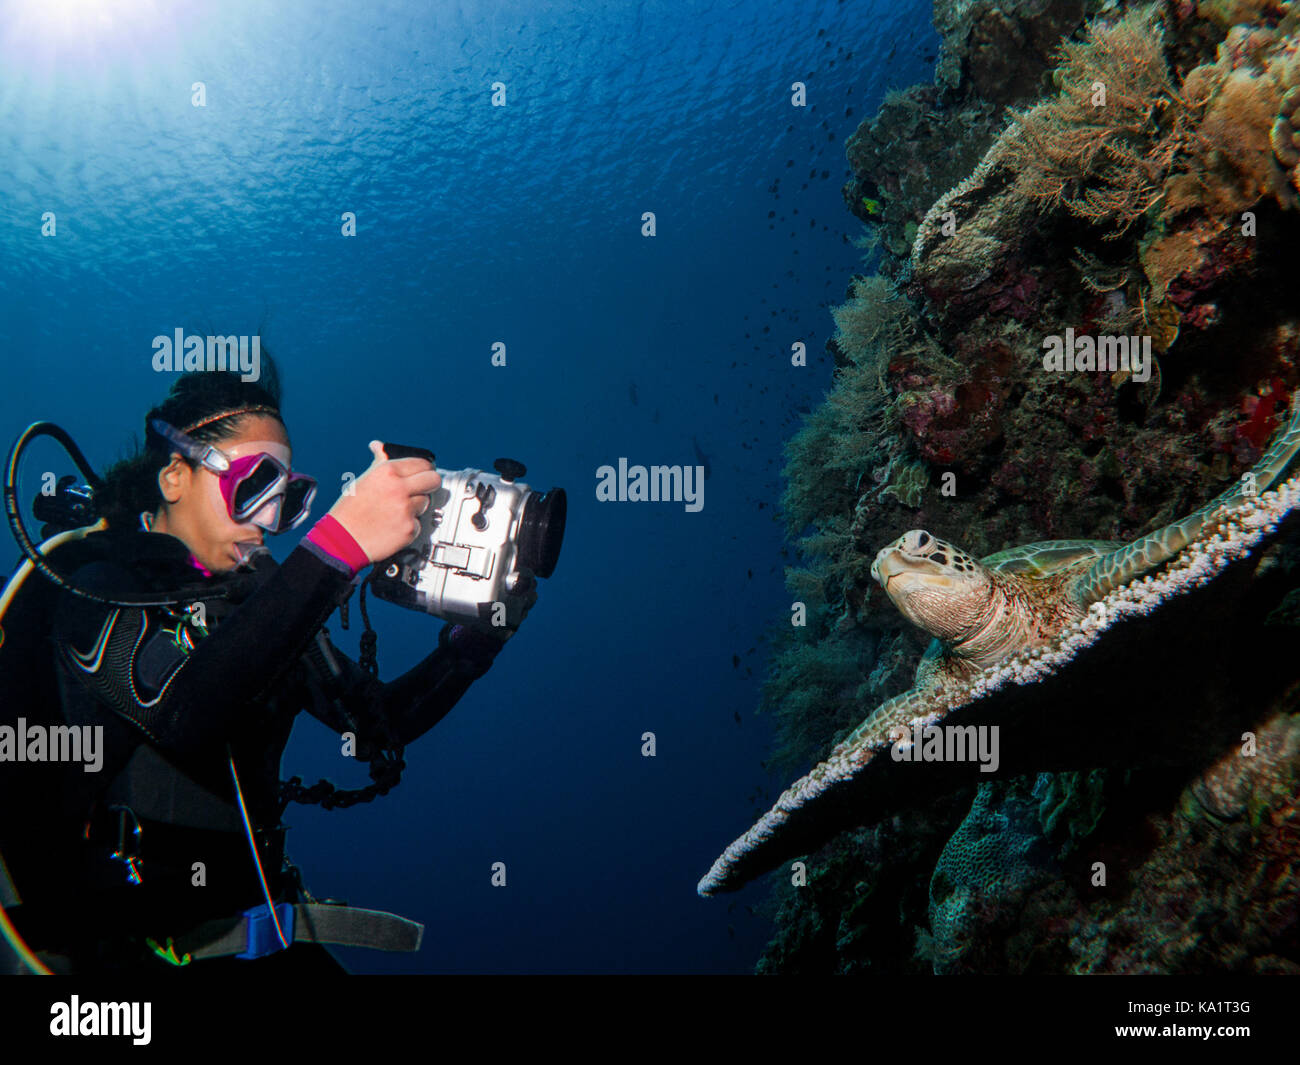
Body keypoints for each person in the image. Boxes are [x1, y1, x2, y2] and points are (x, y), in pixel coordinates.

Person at [0, 358, 526, 972]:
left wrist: (480, 638)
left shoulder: (257, 601)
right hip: (121, 956)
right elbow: (182, 711)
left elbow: (378, 722)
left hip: (263, 935)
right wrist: (339, 545)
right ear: (175, 475)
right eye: (254, 486)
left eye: (290, 497)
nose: (269, 521)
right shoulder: (91, 586)